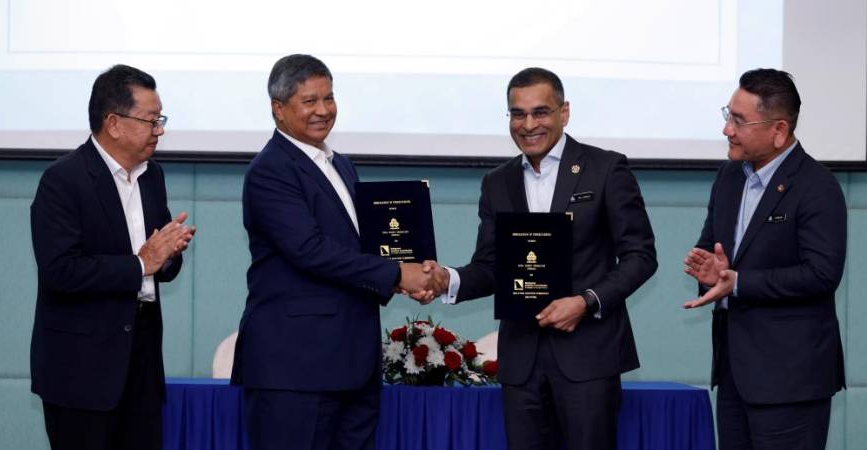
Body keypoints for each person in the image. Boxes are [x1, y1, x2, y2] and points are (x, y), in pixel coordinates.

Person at [422, 67, 657, 449]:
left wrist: (585, 302)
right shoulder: (498, 182)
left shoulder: (606, 168)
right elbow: (490, 266)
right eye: (518, 114)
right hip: (521, 362)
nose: (528, 124)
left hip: (588, 358)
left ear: (564, 113)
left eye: (540, 112)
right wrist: (446, 279)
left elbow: (641, 256)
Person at [231, 54, 434, 450]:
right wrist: (397, 274)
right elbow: (309, 250)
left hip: (352, 365)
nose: (323, 110)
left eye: (329, 98)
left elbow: (355, 249)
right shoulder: (270, 169)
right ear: (278, 108)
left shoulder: (340, 165)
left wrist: (408, 276)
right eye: (309, 101)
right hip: (295, 369)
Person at [30, 64, 195, 450]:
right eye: (151, 121)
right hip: (81, 369)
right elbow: (61, 271)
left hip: (142, 359)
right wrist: (142, 263)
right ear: (114, 123)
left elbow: (159, 268)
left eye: (161, 120)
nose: (160, 130)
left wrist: (169, 254)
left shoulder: (152, 176)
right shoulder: (63, 181)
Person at [683, 68, 846, 450]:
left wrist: (739, 282)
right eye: (728, 115)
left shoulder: (817, 186)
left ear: (779, 130)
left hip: (791, 382)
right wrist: (710, 274)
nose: (727, 130)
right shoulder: (729, 177)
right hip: (735, 376)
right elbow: (715, 253)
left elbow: (822, 273)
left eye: (739, 121)